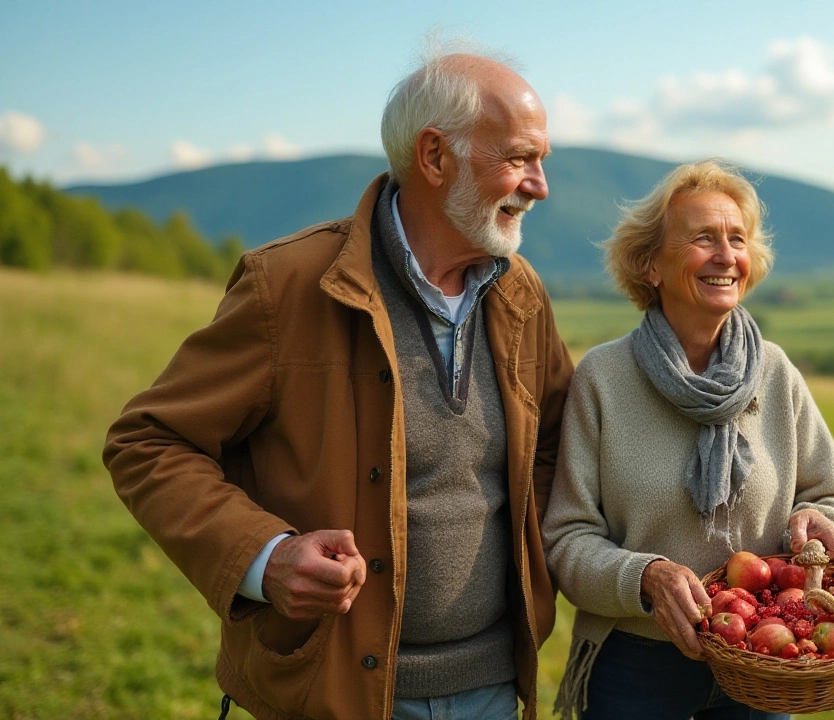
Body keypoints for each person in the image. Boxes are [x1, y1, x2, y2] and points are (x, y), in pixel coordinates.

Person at [102, 45, 573, 720]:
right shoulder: (285, 286)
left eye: (542, 162)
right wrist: (265, 558)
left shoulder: (521, 295)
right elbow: (147, 443)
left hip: (494, 690)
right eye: (521, 158)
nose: (540, 185)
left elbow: (558, 445)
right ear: (435, 157)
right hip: (329, 692)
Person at [542, 160, 834, 720]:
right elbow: (566, 539)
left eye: (737, 239)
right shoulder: (603, 379)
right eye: (702, 239)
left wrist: (822, 521)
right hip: (637, 669)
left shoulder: (774, 371)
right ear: (649, 265)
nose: (726, 256)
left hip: (766, 660)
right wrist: (644, 577)